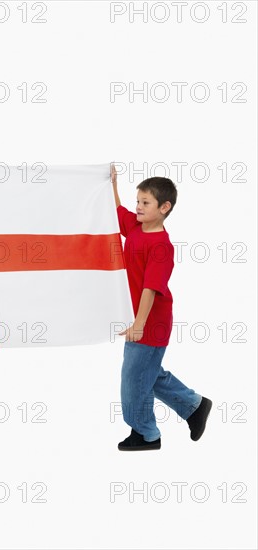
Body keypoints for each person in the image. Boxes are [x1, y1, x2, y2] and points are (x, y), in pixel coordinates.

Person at [111, 163, 212, 451]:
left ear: (164, 207)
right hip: (140, 319)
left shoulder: (161, 246)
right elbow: (117, 211)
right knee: (148, 374)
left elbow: (150, 288)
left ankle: (146, 434)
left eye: (146, 202)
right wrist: (112, 184)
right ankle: (194, 406)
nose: (138, 207)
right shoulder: (136, 228)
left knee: (133, 382)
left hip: (151, 322)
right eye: (138, 201)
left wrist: (139, 324)